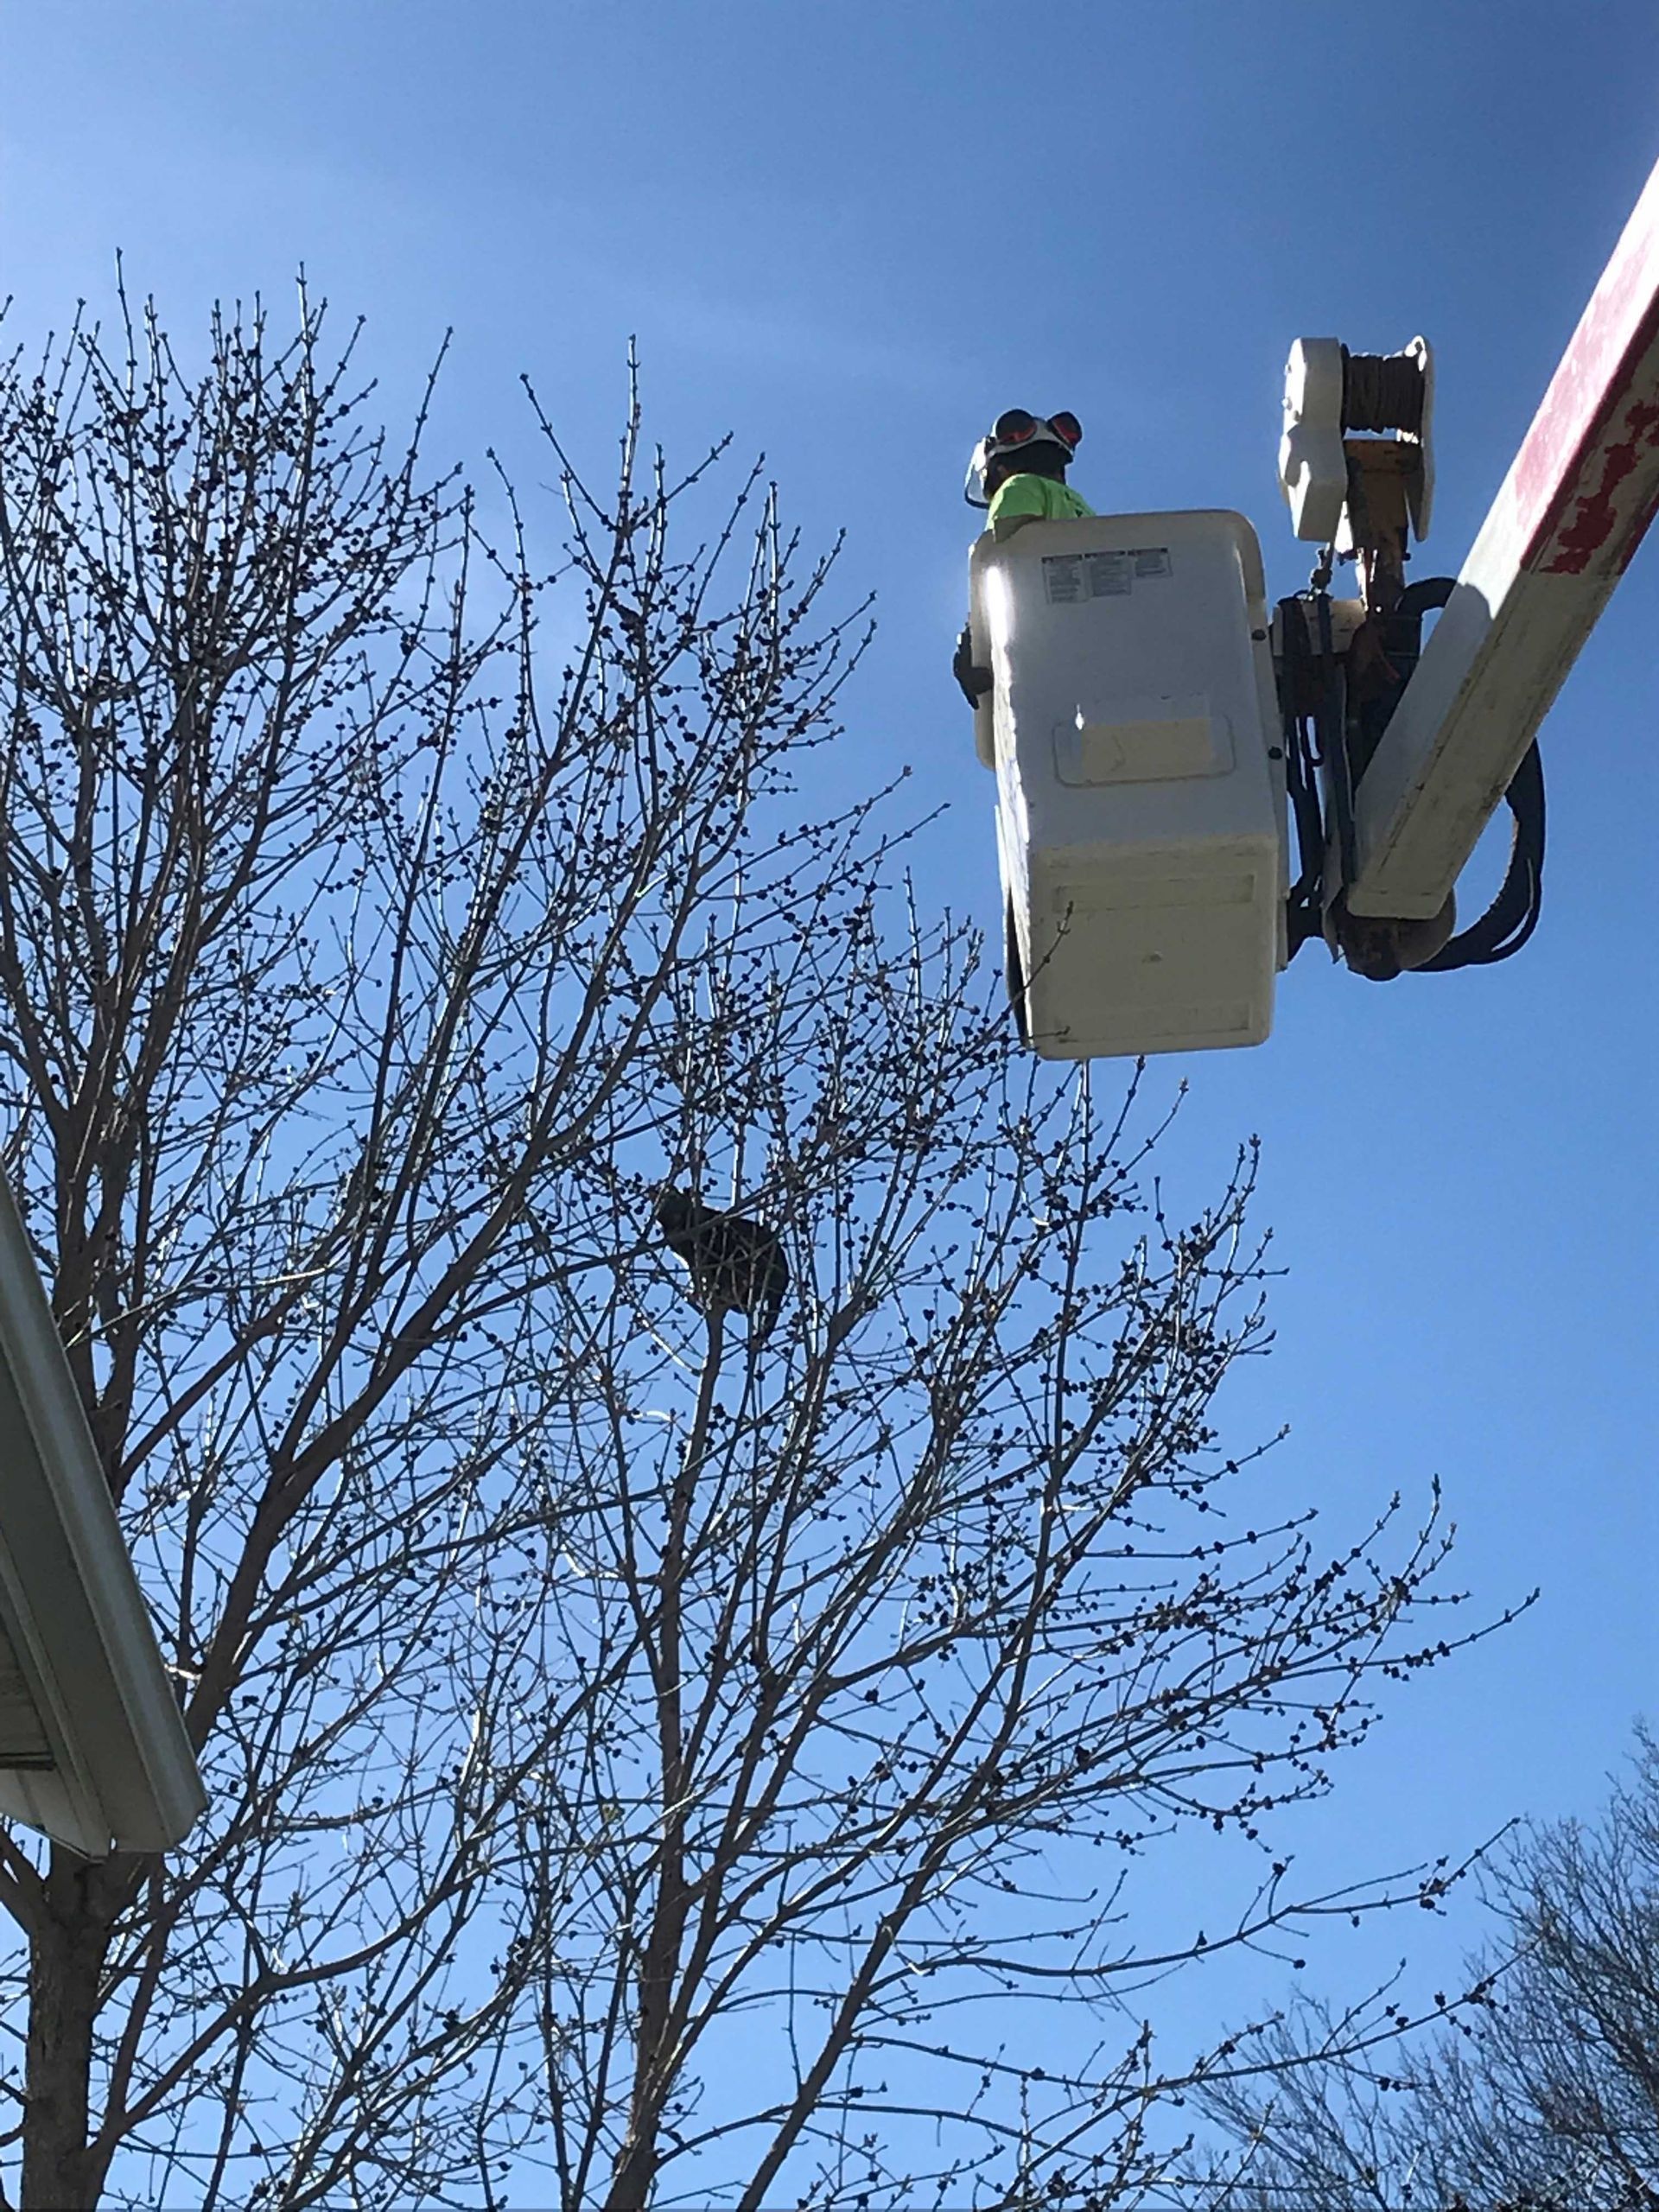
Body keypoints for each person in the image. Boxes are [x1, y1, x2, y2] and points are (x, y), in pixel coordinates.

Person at [954, 410, 1094, 706]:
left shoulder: (1018, 488)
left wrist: (972, 639)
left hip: (1043, 642)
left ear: (1000, 470)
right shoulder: (1084, 510)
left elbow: (1005, 562)